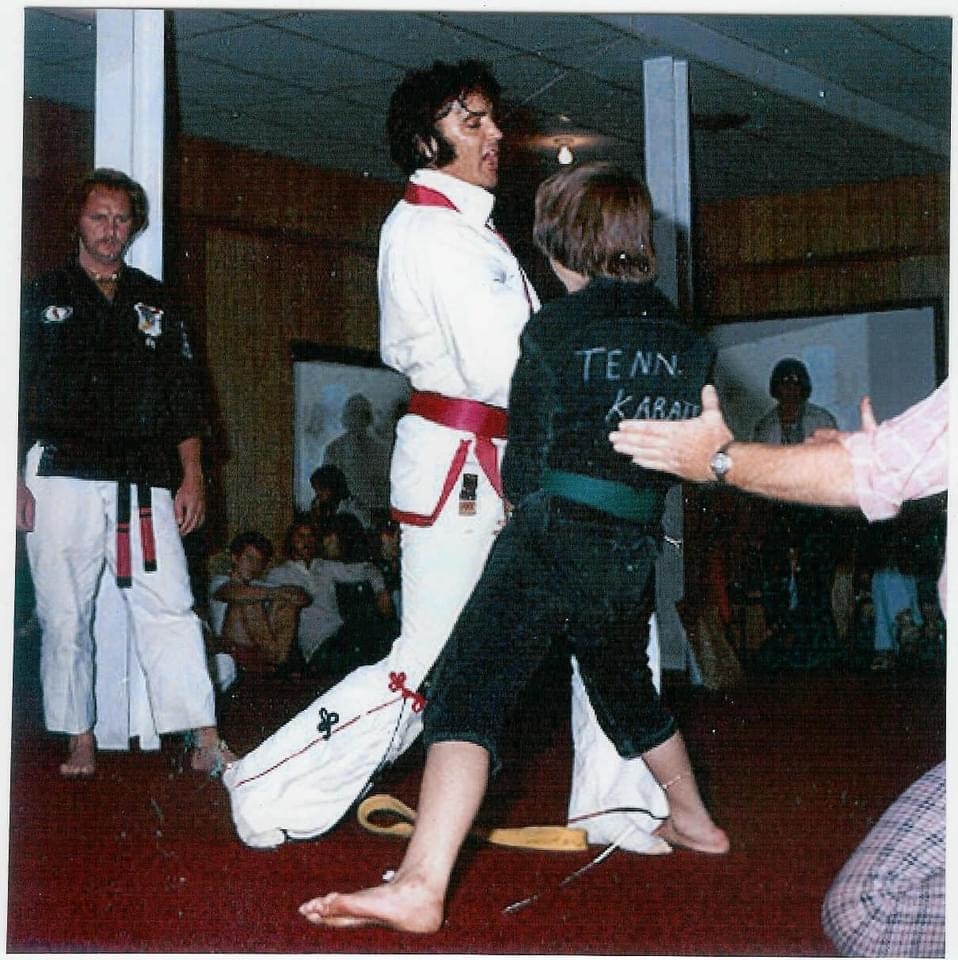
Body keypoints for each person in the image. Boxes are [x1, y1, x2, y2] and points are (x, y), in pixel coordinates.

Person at [298, 162, 729, 932]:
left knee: (465, 694)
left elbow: (524, 465)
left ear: (566, 247)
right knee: (624, 689)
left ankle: (422, 887)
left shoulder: (554, 328)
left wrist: (520, 538)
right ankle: (694, 818)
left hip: (552, 533)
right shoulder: (687, 341)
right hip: (633, 545)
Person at [609, 380, 948, 957]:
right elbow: (889, 465)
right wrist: (857, 458)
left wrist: (717, 459)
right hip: (789, 512)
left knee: (871, 913)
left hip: (818, 515)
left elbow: (868, 474)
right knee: (866, 908)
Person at [16, 167, 235, 778]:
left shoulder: (155, 299)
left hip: (140, 475)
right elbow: (14, 392)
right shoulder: (38, 296)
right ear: (77, 222)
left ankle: (204, 734)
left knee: (169, 603)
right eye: (98, 217)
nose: (110, 230)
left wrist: (192, 473)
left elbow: (184, 393)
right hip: (59, 471)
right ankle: (79, 735)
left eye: (120, 219)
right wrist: (14, 478)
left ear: (133, 226)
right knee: (63, 613)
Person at [263, 517, 392, 674]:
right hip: (318, 645)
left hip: (342, 633)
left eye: (310, 536)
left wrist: (380, 591)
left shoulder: (324, 566)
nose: (306, 541)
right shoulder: (279, 574)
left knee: (383, 638)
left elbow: (367, 569)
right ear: (291, 541)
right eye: (300, 536)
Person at [208, 530, 310, 675]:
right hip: (230, 649)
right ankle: (275, 657)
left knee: (285, 604)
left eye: (258, 561)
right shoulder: (220, 581)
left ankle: (277, 659)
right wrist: (275, 593)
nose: (253, 565)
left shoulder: (258, 584)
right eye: (249, 558)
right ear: (235, 558)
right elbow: (233, 592)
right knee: (249, 600)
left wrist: (286, 594)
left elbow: (304, 598)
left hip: (257, 648)